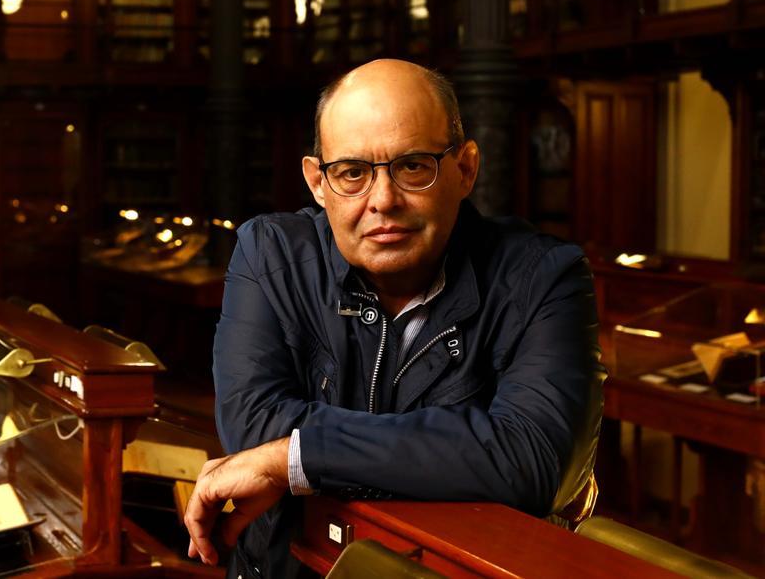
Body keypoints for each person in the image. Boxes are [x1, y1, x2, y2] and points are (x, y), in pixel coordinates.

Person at [184, 59, 604, 577]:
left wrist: (299, 456)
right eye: (352, 173)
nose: (383, 200)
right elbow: (252, 428)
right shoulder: (270, 254)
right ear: (317, 182)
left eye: (413, 167)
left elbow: (533, 460)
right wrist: (460, 450)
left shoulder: (544, 276)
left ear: (465, 169)